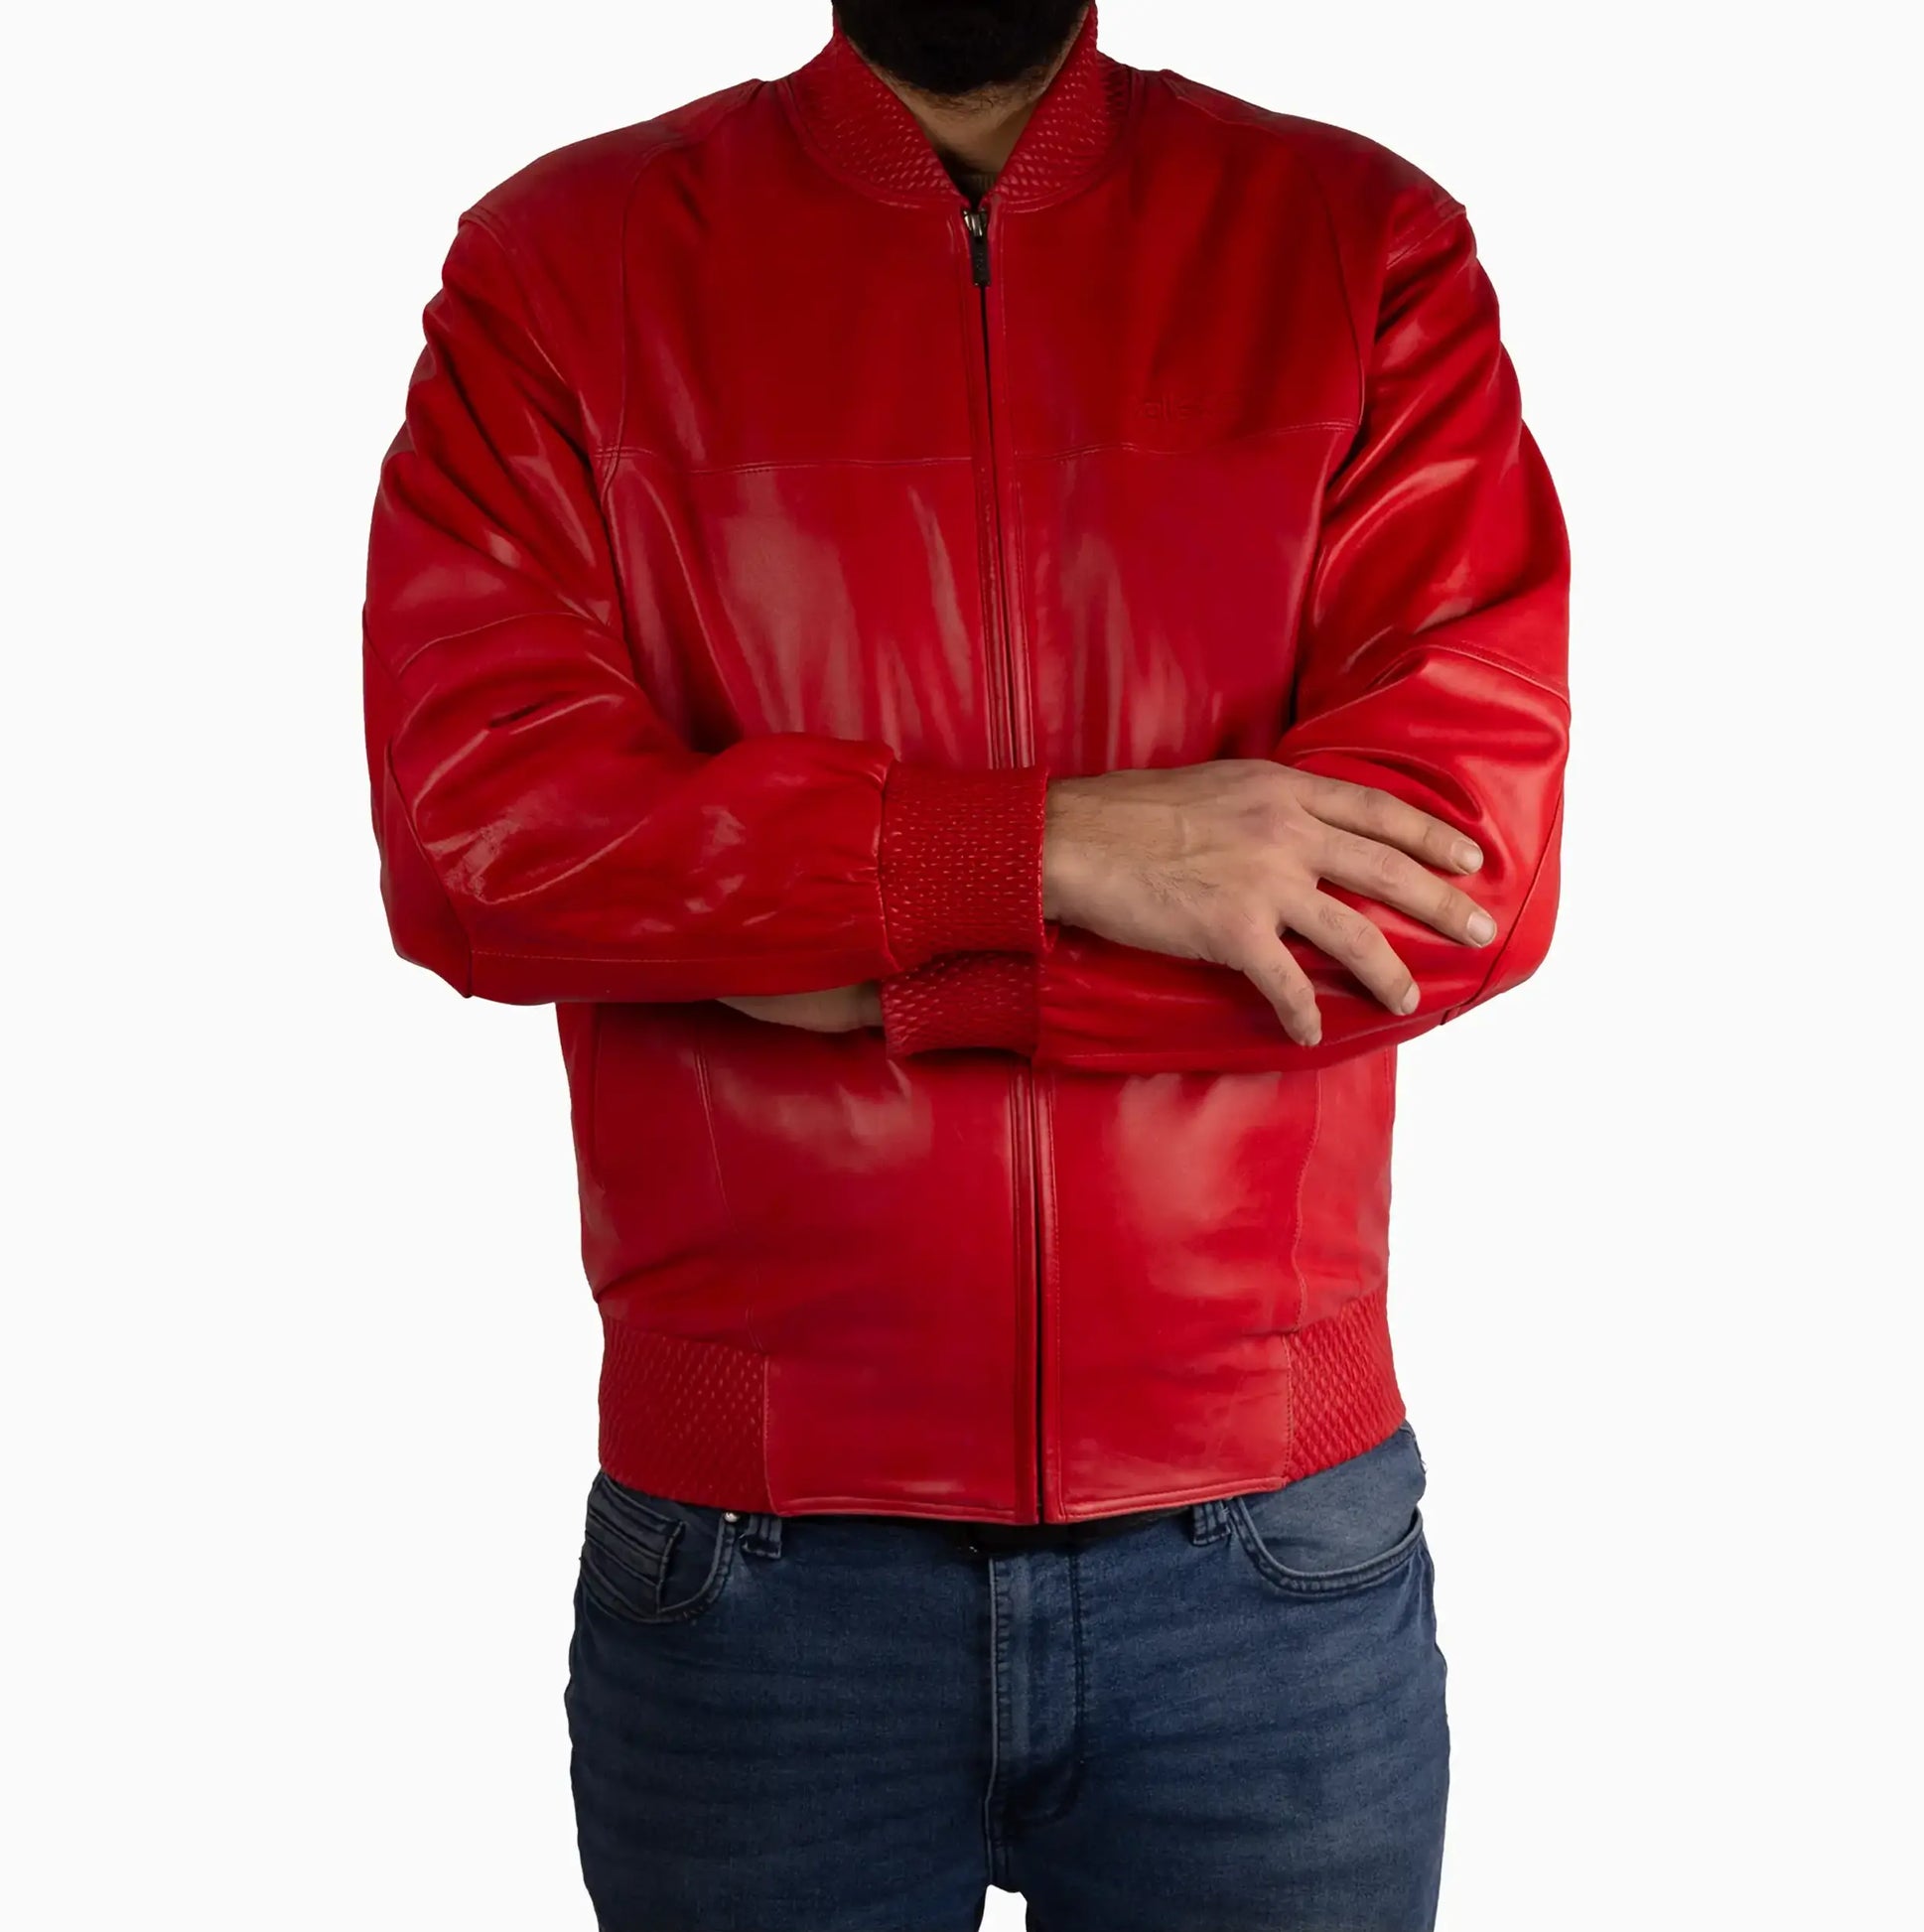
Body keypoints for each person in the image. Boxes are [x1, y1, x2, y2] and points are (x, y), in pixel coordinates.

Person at [359, 2, 1569, 1925]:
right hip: (753, 1568)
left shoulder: (1359, 249)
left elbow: (1446, 885)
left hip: (1264, 1564)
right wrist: (1062, 850)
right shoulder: (561, 269)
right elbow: (481, 844)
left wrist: (864, 959)